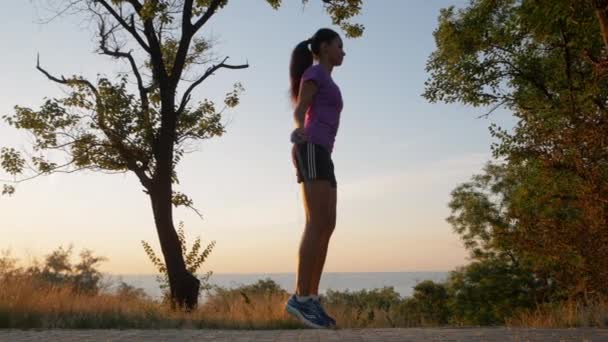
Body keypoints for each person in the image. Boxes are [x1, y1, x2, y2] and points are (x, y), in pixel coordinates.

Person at [284, 28, 345, 329]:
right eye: (339, 46)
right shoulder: (314, 73)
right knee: (316, 223)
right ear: (324, 46)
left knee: (328, 225)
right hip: (311, 147)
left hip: (323, 152)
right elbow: (300, 109)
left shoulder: (328, 78)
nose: (343, 52)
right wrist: (299, 131)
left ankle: (312, 297)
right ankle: (300, 298)